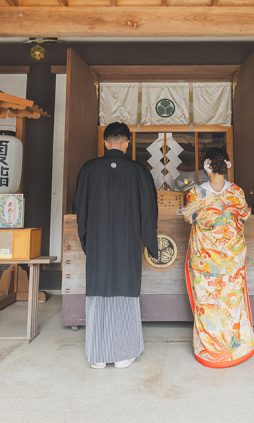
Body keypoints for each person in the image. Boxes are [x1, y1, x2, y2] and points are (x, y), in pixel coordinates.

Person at [75, 122, 159, 369]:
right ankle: (123, 354)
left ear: (105, 142)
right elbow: (149, 210)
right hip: (127, 242)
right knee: (125, 290)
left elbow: (80, 207)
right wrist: (149, 241)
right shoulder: (138, 171)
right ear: (127, 143)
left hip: (99, 244)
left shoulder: (89, 169)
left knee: (98, 292)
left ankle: (98, 356)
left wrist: (87, 238)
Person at [182, 147, 254, 368]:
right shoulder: (237, 192)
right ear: (226, 165)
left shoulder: (195, 193)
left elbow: (189, 216)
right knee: (231, 304)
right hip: (232, 258)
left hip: (205, 257)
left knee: (207, 303)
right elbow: (244, 214)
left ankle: (209, 351)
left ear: (207, 166)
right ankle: (235, 350)